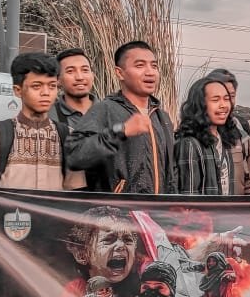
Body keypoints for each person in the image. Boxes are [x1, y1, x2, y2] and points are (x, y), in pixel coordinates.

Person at [65, 41, 177, 194]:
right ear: (119, 73)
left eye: (154, 66)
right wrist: (121, 130)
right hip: (117, 207)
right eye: (140, 65)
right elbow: (75, 155)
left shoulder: (162, 117)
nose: (150, 72)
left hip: (156, 207)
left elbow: (172, 172)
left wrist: (172, 203)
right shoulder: (104, 109)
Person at [0, 52, 84, 190]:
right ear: (18, 90)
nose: (46, 93)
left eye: (52, 86)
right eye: (37, 86)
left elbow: (75, 195)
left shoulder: (69, 137)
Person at [175, 76, 236, 196]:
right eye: (215, 100)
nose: (223, 105)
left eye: (226, 99)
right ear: (200, 105)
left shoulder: (224, 140)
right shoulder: (189, 144)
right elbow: (189, 198)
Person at [209, 69, 250, 195]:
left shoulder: (241, 133)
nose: (225, 103)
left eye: (230, 96)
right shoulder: (191, 137)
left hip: (236, 207)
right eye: (218, 97)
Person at [50, 47, 96, 131]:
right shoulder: (48, 117)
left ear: (92, 76)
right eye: (70, 71)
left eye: (85, 70)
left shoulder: (111, 112)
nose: (80, 77)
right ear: (57, 80)